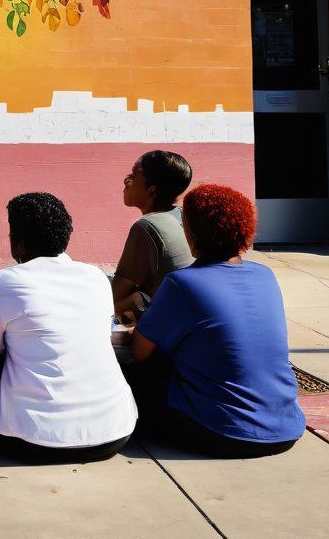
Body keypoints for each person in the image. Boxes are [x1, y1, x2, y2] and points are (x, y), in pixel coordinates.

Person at [131, 184, 305, 458]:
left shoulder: (182, 282)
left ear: (192, 232)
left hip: (220, 432)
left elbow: (139, 353)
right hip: (285, 429)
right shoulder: (264, 275)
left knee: (139, 370)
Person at [0, 192, 137, 463]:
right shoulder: (95, 277)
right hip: (113, 435)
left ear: (19, 244)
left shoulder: (2, 282)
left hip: (31, 441)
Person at [112, 151, 194, 320]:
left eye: (134, 175)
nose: (126, 180)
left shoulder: (147, 226)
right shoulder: (182, 215)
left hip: (169, 324)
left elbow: (114, 294)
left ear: (152, 190)